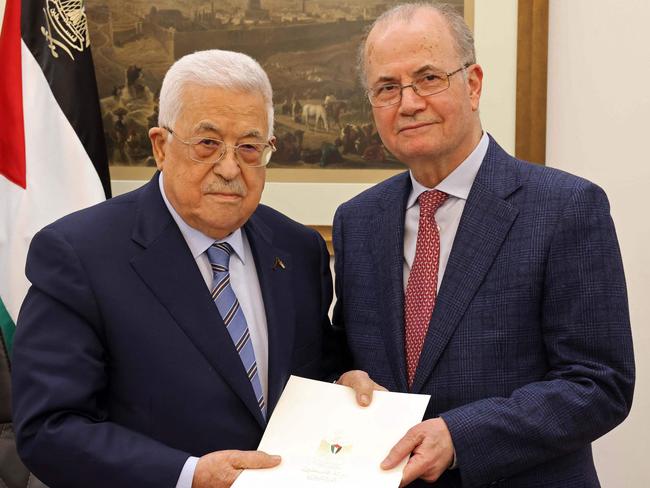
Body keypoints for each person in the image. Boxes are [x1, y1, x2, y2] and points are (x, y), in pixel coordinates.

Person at [332, 4, 635, 487]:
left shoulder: (567, 207)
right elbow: (345, 352)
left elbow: (600, 384)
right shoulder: (358, 220)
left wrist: (461, 436)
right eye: (387, 87)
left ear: (472, 84)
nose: (408, 103)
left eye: (428, 78)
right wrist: (344, 381)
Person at [11, 49, 346, 488]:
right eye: (207, 143)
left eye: (249, 147)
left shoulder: (298, 249)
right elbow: (49, 430)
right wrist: (189, 476)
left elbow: (312, 375)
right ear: (160, 146)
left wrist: (343, 381)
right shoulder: (78, 254)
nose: (230, 168)